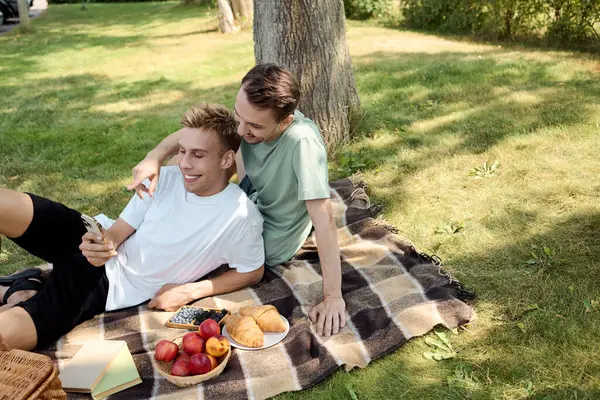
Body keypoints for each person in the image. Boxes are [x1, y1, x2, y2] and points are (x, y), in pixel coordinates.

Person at [0, 103, 265, 350]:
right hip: (92, 238)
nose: (184, 163)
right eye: (182, 151)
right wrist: (103, 244)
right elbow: (118, 232)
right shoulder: (166, 178)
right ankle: (26, 286)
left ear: (227, 159)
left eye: (198, 155)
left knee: (5, 335)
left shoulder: (239, 216)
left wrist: (190, 291)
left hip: (105, 286)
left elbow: (252, 271)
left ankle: (26, 288)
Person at [129, 64, 346, 337]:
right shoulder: (248, 119)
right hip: (247, 198)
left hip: (270, 233)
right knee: (182, 162)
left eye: (254, 125)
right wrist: (154, 157)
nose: (241, 130)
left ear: (285, 121)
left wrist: (333, 297)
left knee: (183, 242)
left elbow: (324, 221)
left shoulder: (302, 144)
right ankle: (129, 232)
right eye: (238, 115)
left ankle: (180, 286)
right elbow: (190, 135)